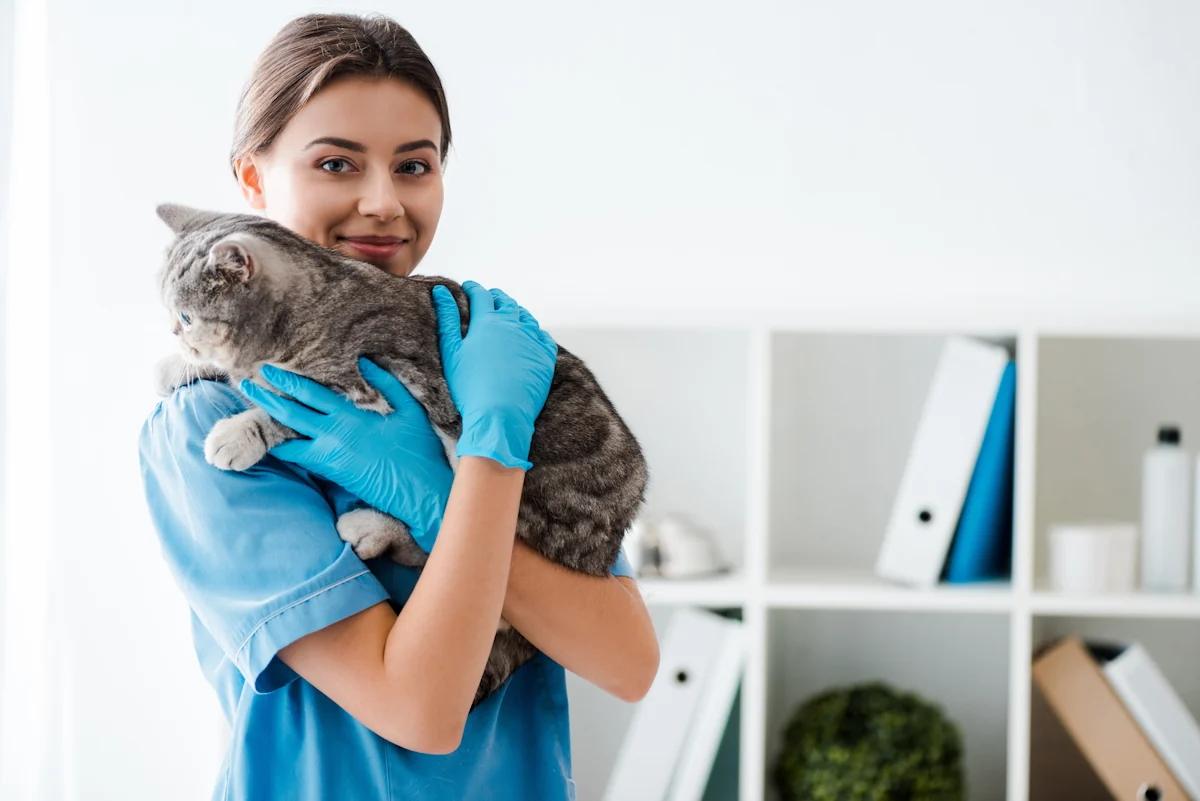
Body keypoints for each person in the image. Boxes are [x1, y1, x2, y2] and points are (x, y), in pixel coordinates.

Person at [137, 12, 660, 801]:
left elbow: (629, 664)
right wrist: (482, 467)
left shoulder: (482, 357)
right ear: (252, 181)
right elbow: (421, 711)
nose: (382, 202)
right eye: (337, 162)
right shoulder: (202, 428)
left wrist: (465, 472)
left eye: (414, 166)